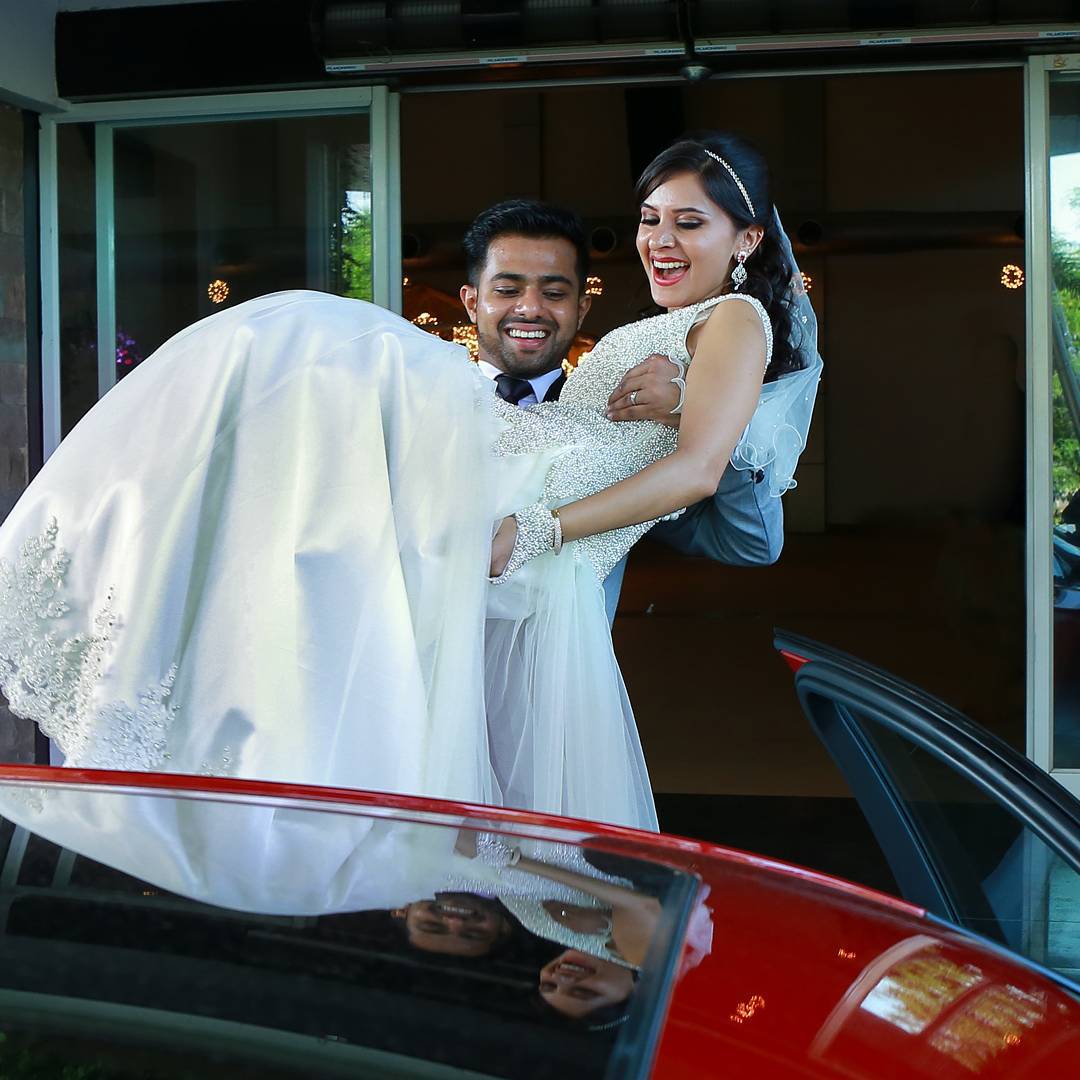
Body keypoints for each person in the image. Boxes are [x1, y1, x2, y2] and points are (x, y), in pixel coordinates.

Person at [0, 132, 820, 881]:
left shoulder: (735, 321)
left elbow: (703, 477)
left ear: (746, 241)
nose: (662, 241)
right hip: (485, 518)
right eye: (649, 220)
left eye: (691, 223)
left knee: (301, 336)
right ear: (471, 301)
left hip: (531, 568)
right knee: (285, 379)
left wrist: (562, 508)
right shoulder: (660, 332)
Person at [458, 199, 783, 624]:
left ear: (581, 308)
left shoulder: (630, 433)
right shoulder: (431, 408)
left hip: (564, 676)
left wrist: (703, 414)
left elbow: (753, 543)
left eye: (554, 293)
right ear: (471, 302)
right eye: (507, 290)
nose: (530, 308)